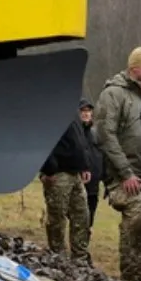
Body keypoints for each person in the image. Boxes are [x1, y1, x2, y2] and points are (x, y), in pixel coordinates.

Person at [95, 47, 141, 281]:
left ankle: (140, 280)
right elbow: (105, 135)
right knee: (136, 224)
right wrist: (125, 172)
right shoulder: (113, 94)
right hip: (126, 175)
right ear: (135, 68)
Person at [39, 107, 93, 263]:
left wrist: (84, 165)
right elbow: (44, 139)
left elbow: (80, 141)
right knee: (57, 216)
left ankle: (80, 257)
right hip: (58, 173)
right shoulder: (49, 109)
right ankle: (58, 256)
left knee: (82, 215)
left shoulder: (72, 110)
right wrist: (49, 170)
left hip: (75, 172)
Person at [79, 98, 105, 233]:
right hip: (76, 182)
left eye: (88, 111)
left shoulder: (95, 134)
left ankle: (84, 245)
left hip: (94, 184)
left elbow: (102, 156)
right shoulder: (73, 133)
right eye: (82, 111)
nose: (86, 114)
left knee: (90, 217)